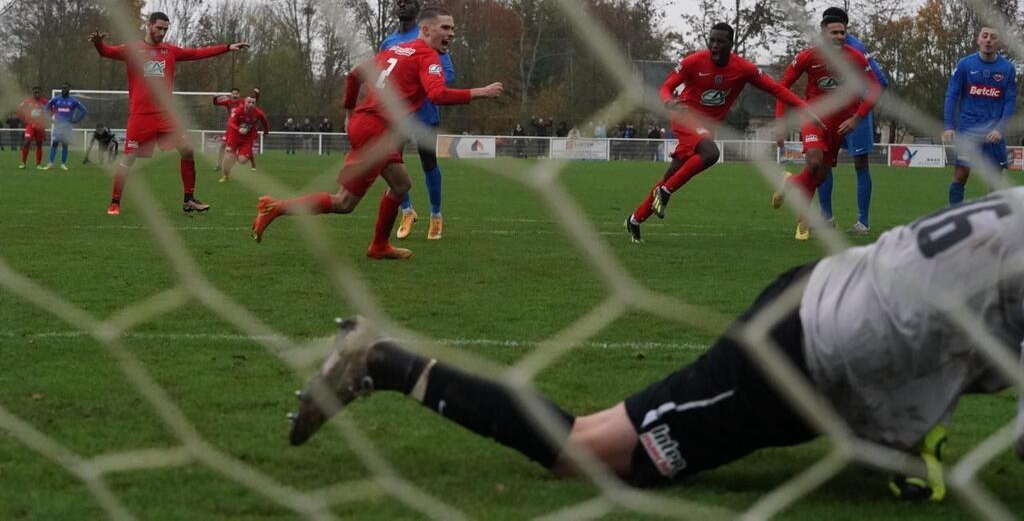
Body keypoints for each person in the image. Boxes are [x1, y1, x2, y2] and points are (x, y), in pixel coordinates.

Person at [288, 190, 1024, 501]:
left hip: (837, 295)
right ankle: (384, 362)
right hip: (803, 352)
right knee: (591, 455)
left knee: (963, 353)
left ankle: (901, 439)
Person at [250, 6, 502, 259]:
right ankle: (275, 207)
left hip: (369, 124)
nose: (452, 33)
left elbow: (354, 74)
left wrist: (349, 112)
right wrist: (480, 92)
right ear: (426, 30)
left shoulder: (393, 50)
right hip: (377, 130)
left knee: (401, 184)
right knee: (344, 202)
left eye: (453, 28)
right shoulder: (427, 57)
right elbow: (437, 94)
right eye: (446, 28)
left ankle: (379, 246)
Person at [625, 23, 815, 244]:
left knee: (673, 173)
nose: (714, 46)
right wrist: (669, 102)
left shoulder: (742, 68)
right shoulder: (694, 61)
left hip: (706, 128)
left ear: (730, 44)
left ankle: (635, 219)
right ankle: (665, 192)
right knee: (711, 153)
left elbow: (776, 89)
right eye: (711, 40)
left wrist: (805, 107)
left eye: (720, 41)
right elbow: (666, 87)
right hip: (684, 116)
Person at [89, 11, 249, 216]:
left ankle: (189, 200)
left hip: (165, 116)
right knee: (129, 159)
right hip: (140, 116)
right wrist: (98, 44)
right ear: (149, 25)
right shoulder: (132, 49)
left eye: (165, 29)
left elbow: (198, 53)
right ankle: (115, 202)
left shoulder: (169, 51)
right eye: (159, 28)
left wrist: (227, 48)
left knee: (188, 150)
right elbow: (106, 52)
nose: (162, 32)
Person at [772, 15, 882, 240]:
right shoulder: (808, 56)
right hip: (813, 119)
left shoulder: (856, 58)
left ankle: (790, 183)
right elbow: (782, 86)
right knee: (813, 161)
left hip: (840, 126)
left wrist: (856, 118)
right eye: (834, 32)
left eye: (843, 32)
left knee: (819, 175)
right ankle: (804, 219)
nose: (840, 36)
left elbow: (876, 88)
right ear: (823, 34)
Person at [376, 0, 457, 242]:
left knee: (428, 163)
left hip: (423, 113)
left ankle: (436, 215)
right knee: (392, 165)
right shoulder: (388, 41)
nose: (402, 4)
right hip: (397, 114)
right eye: (398, 1)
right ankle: (407, 211)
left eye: (407, 2)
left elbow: (448, 74)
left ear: (419, 11)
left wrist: (417, 85)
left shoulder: (429, 37)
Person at [813, 7, 890, 235]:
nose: (838, 34)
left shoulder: (856, 49)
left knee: (860, 164)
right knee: (824, 163)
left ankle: (862, 223)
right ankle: (826, 218)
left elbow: (881, 82)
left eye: (841, 29)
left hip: (855, 116)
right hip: (830, 116)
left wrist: (859, 109)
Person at [942, 26, 1017, 205]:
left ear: (998, 42)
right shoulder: (965, 65)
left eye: (993, 37)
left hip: (993, 134)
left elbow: (1010, 101)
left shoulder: (1007, 69)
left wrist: (1000, 129)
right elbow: (951, 95)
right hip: (968, 130)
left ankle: (993, 226)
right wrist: (949, 126)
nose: (988, 40)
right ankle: (956, 221)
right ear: (978, 40)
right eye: (985, 36)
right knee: (960, 176)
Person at [219, 96, 270, 181]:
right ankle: (225, 176)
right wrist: (238, 129)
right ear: (245, 102)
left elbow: (265, 122)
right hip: (234, 137)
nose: (251, 104)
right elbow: (230, 122)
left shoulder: (258, 113)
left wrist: (266, 132)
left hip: (247, 139)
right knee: (228, 158)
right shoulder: (238, 110)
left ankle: (235, 157)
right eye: (249, 102)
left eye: (253, 103)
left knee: (242, 160)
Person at [43, 82, 88, 170]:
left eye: (66, 88)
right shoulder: (56, 99)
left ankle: (63, 164)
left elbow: (84, 110)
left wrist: (76, 120)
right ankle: (51, 163)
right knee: (55, 143)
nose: (64, 89)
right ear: (61, 89)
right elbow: (45, 108)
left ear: (69, 89)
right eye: (63, 88)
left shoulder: (73, 101)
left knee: (65, 144)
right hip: (58, 126)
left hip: (67, 126)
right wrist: (50, 119)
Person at [16, 86, 49, 169]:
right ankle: (23, 163)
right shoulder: (27, 101)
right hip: (30, 125)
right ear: (33, 92)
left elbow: (52, 109)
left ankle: (38, 164)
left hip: (40, 126)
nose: (37, 93)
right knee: (27, 141)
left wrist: (47, 119)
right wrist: (24, 119)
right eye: (35, 92)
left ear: (40, 93)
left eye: (38, 92)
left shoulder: (45, 101)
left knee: (39, 144)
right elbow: (19, 110)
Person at [212, 87, 242, 172]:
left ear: (239, 95)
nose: (235, 95)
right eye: (233, 93)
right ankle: (219, 164)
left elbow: (253, 103)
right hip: (230, 127)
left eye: (237, 94)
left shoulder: (243, 102)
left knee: (235, 148)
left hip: (239, 129)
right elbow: (216, 103)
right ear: (231, 94)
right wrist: (215, 97)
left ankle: (232, 164)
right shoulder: (228, 102)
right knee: (222, 145)